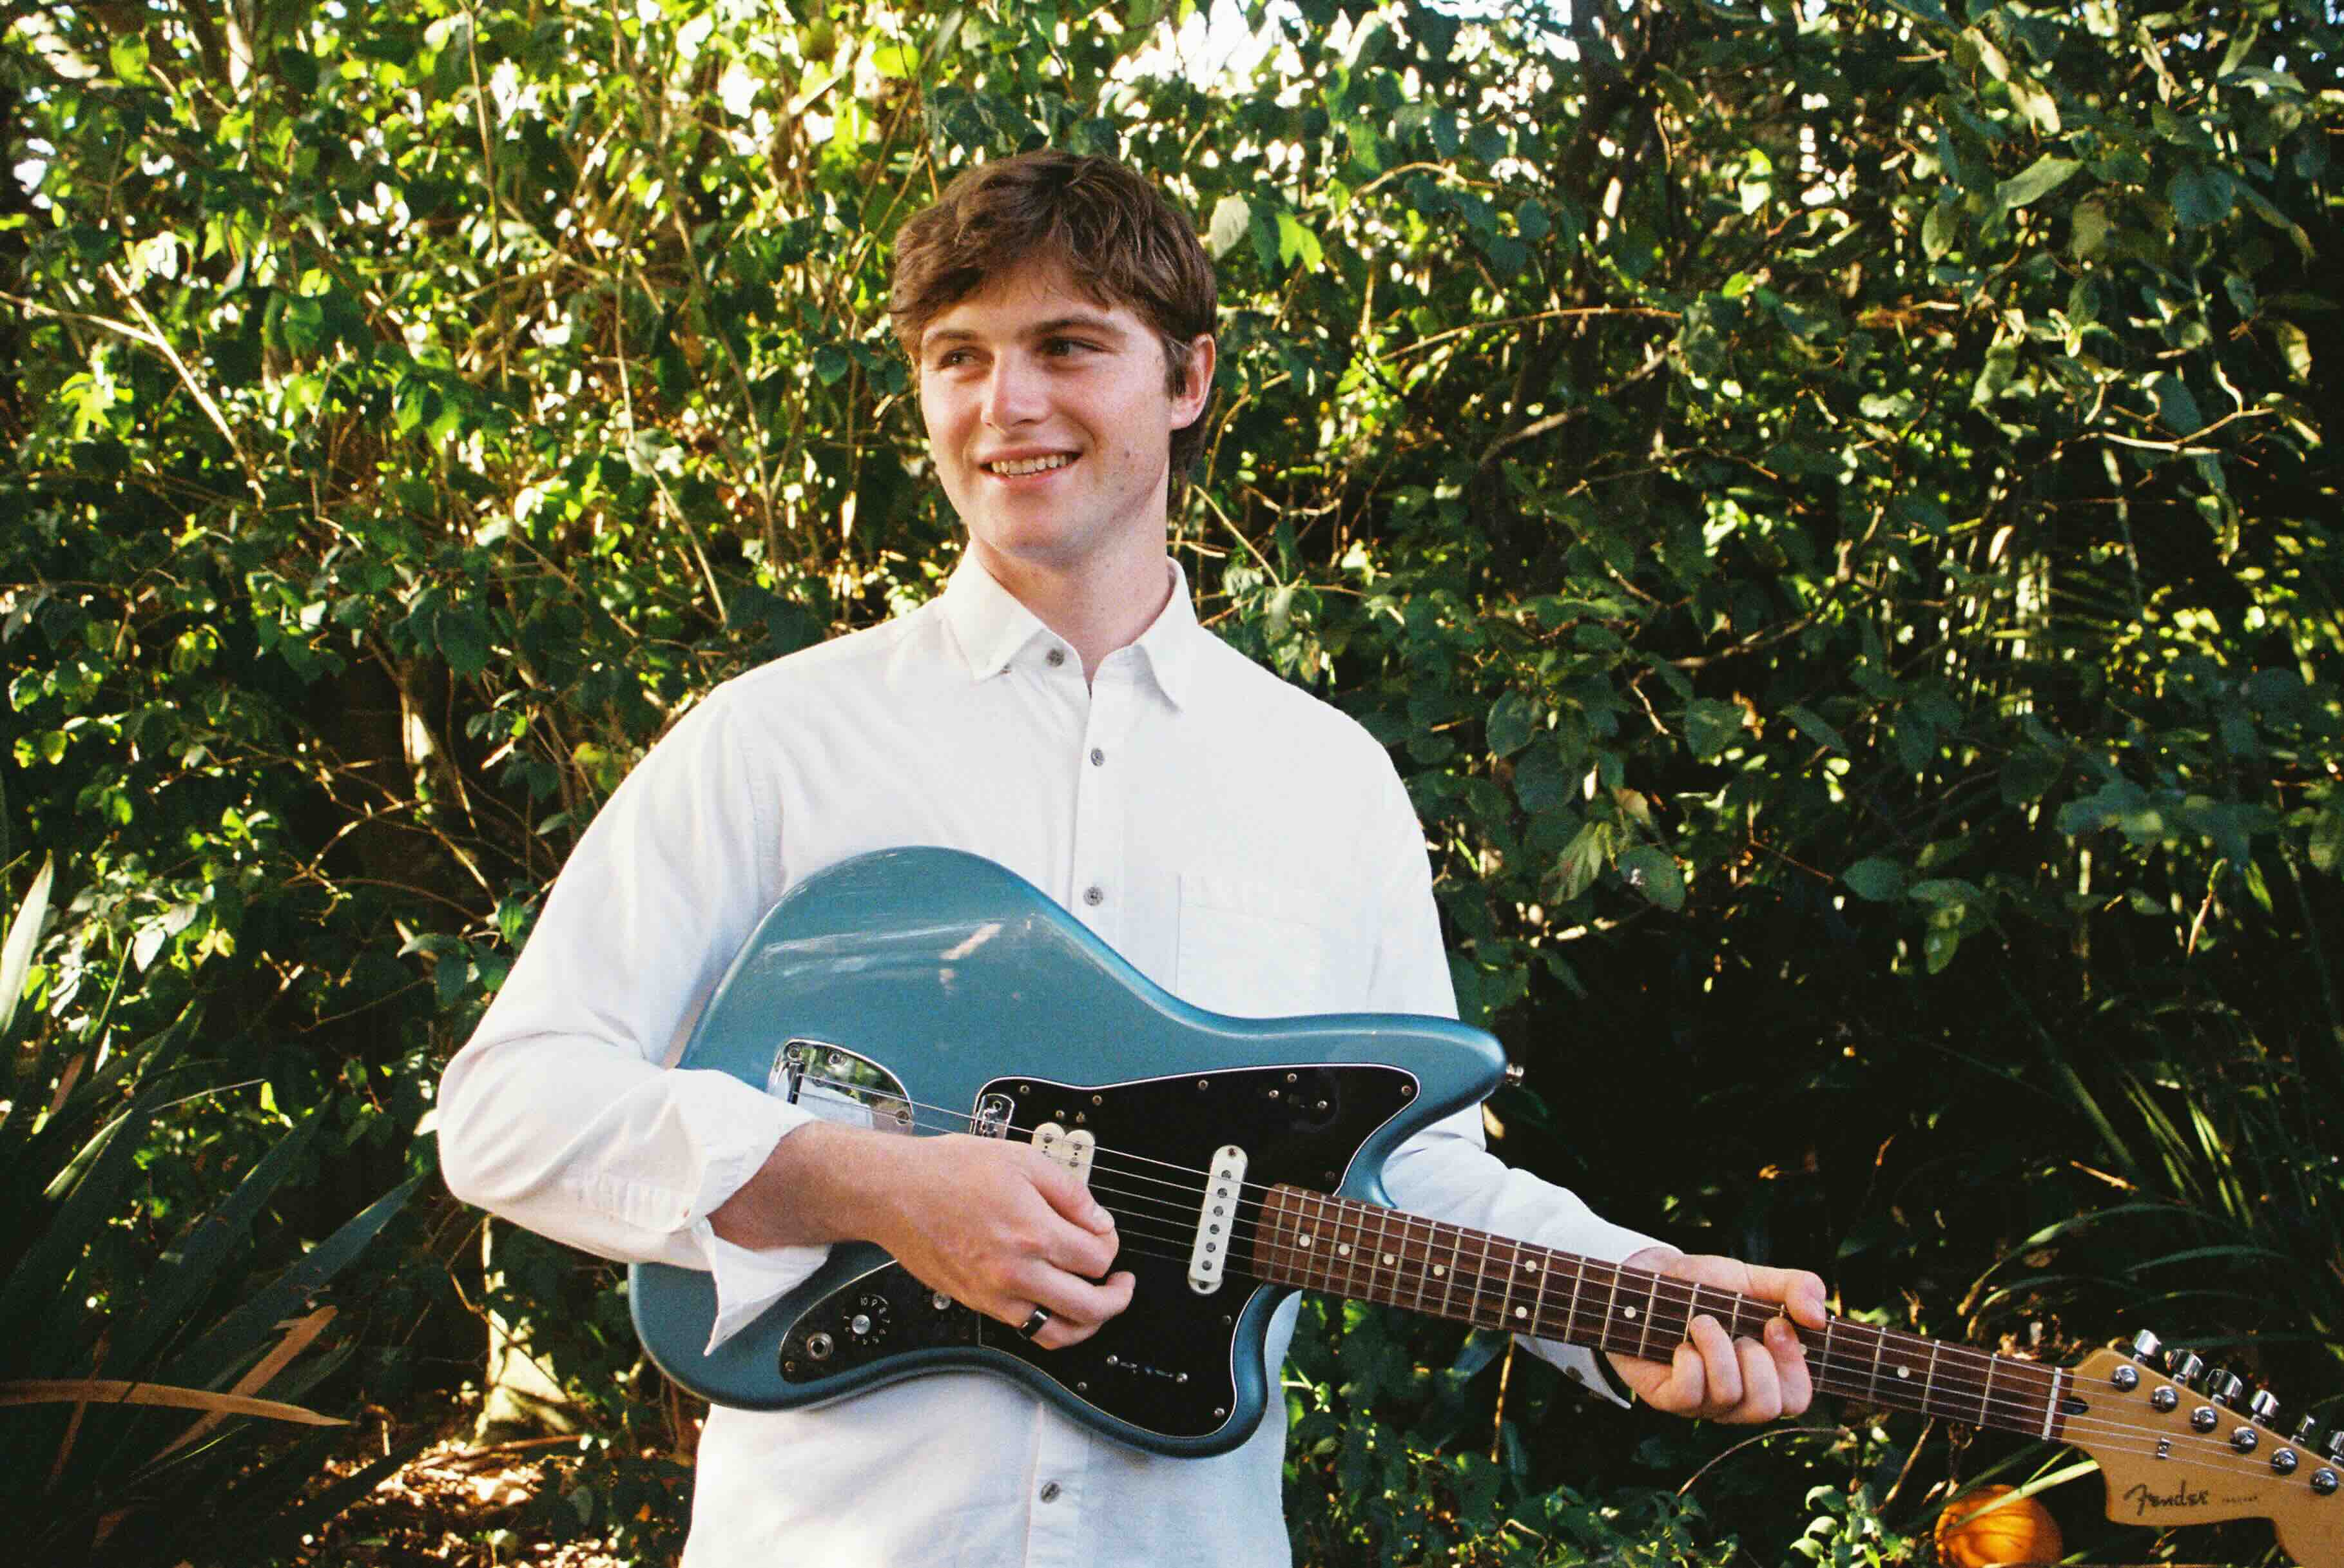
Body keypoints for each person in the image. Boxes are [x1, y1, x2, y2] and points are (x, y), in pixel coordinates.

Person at [438, 149, 1827, 1567]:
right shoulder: (775, 741)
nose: (1006, 405)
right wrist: (866, 1184)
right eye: (957, 357)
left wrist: (1637, 1296)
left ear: (1187, 379)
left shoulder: (1326, 779)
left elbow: (1411, 1174)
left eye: (1067, 347)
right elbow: (507, 1108)